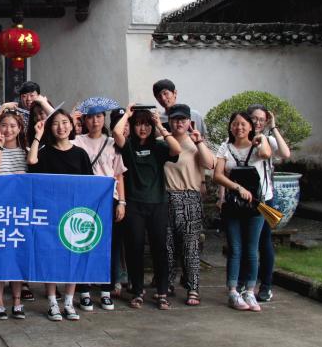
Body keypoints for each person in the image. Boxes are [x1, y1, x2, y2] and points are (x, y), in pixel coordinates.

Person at [112, 104, 181, 311]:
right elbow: (117, 133)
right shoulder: (128, 146)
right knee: (134, 247)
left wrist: (160, 125)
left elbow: (176, 149)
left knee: (160, 248)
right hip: (134, 204)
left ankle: (162, 292)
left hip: (158, 204)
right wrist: (128, 113)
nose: (143, 129)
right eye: (139, 124)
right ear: (133, 126)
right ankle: (137, 291)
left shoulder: (158, 147)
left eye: (147, 125)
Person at [28, 109, 93, 321]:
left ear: (72, 126)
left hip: (74, 215)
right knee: (51, 257)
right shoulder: (45, 152)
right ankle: (52, 303)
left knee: (73, 256)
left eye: (65, 122)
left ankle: (69, 302)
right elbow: (32, 162)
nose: (61, 127)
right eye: (56, 123)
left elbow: (90, 185)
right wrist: (38, 135)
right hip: (50, 215)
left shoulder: (80, 154)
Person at [213, 111, 272, 312]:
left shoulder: (257, 146)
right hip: (233, 205)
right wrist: (238, 188)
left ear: (251, 126)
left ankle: (249, 291)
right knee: (235, 248)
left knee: (251, 249)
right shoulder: (225, 147)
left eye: (243, 124)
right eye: (235, 124)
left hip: (255, 205)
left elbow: (266, 155)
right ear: (230, 127)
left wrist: (262, 138)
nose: (239, 127)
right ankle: (233, 291)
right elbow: (217, 175)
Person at [72, 104, 127, 312]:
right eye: (90, 117)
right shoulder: (77, 141)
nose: (95, 121)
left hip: (108, 199)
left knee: (109, 247)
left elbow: (118, 174)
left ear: (104, 119)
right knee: (83, 245)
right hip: (84, 199)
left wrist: (122, 202)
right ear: (84, 120)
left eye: (99, 117)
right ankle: (84, 292)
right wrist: (71, 118)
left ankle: (106, 291)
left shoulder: (112, 143)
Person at [163, 104, 215, 307]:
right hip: (166, 197)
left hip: (189, 198)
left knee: (190, 246)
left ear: (189, 122)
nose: (179, 123)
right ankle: (167, 283)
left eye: (182, 120)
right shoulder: (163, 142)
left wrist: (199, 142)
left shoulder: (194, 143)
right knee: (167, 247)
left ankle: (193, 287)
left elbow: (210, 164)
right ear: (169, 121)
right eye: (175, 119)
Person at [0, 105, 29, 319]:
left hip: (20, 214)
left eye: (13, 126)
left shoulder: (27, 153)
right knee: (0, 258)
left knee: (17, 258)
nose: (8, 129)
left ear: (20, 128)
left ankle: (17, 301)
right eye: (4, 125)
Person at [246, 104, 291, 302]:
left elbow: (285, 153)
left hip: (264, 198)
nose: (257, 122)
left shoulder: (268, 140)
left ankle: (266, 286)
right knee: (244, 243)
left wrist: (273, 127)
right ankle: (244, 284)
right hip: (242, 198)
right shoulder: (239, 138)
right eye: (254, 118)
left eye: (261, 120)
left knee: (264, 242)